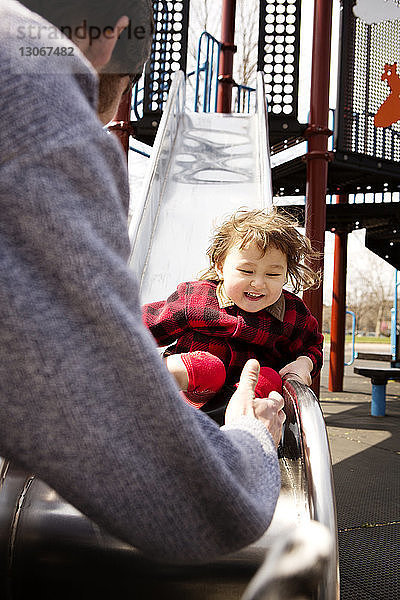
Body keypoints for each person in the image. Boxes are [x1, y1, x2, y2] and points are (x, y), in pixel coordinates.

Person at [0, 0, 285, 564]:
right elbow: (188, 498)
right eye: (125, 86)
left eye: (270, 274)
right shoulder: (37, 99)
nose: (105, 117)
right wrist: (253, 440)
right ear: (110, 36)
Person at [142, 208, 324, 410]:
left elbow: (311, 345)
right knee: (209, 368)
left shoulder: (292, 312)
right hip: (186, 394)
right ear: (220, 267)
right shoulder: (197, 298)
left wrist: (305, 363)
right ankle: (147, 386)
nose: (258, 283)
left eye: (272, 275)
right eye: (246, 271)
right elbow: (145, 324)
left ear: (285, 275)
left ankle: (240, 414)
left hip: (241, 403)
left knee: (269, 376)